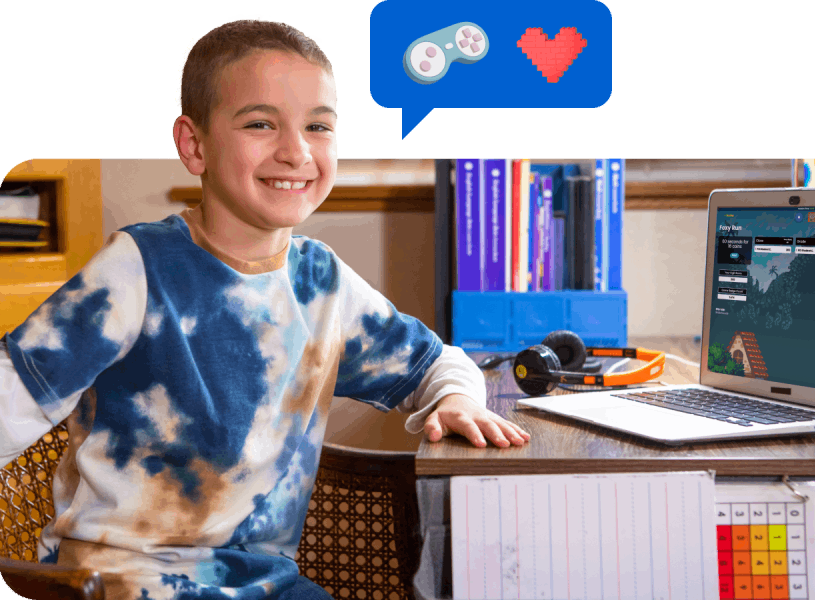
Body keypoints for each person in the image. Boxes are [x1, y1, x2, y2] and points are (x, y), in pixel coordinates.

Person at [0, 15, 528, 600]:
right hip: (120, 583)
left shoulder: (322, 283)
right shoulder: (137, 268)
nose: (296, 151)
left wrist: (456, 399)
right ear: (194, 145)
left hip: (266, 585)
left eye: (318, 126)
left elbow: (436, 363)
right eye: (260, 124)